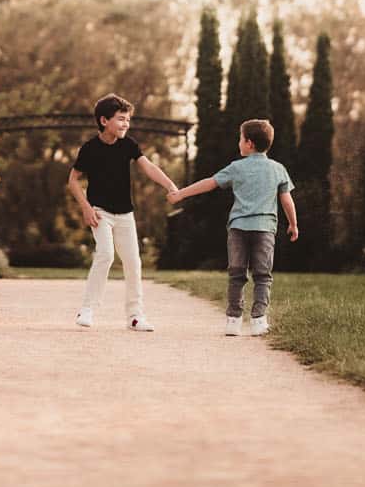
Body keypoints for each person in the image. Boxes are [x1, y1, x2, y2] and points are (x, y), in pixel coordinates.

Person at [167, 118, 298, 336]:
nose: (239, 143)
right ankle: (258, 320)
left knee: (237, 274)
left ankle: (233, 320)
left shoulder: (236, 167)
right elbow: (286, 200)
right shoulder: (278, 169)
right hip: (265, 228)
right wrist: (293, 224)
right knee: (263, 275)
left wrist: (181, 194)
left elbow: (209, 183)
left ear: (248, 143)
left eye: (240, 139)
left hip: (238, 228)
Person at [67, 93, 180, 331]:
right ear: (104, 120)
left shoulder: (129, 145)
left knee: (133, 262)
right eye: (120, 119)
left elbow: (148, 166)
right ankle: (87, 309)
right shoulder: (89, 148)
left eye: (127, 119)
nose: (125, 124)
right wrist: (86, 208)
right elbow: (73, 181)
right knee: (105, 254)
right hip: (100, 212)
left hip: (125, 214)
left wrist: (170, 185)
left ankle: (135, 316)